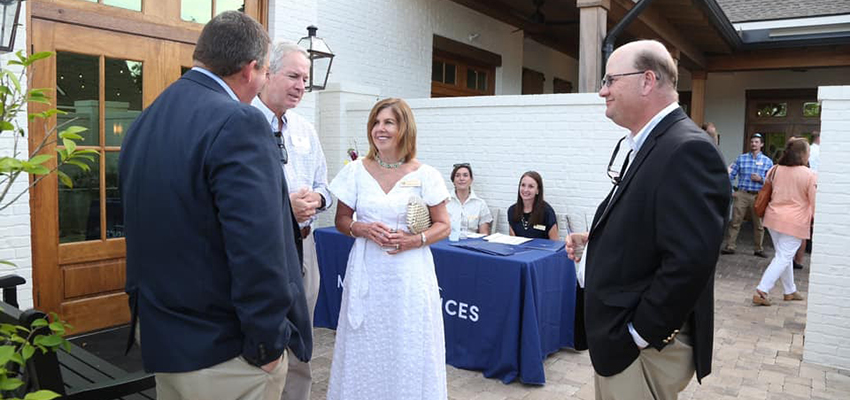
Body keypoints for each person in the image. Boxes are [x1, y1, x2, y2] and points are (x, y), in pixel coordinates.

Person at [119, 11, 311, 400]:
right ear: (251, 69)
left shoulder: (147, 119)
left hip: (164, 339)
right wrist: (268, 346)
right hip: (224, 356)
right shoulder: (239, 122)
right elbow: (258, 248)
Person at [566, 40, 730, 399]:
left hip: (642, 352)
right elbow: (653, 228)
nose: (602, 91)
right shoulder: (652, 142)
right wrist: (596, 243)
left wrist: (637, 336)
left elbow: (690, 261)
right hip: (624, 344)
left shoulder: (687, 149)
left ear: (647, 81)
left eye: (610, 80)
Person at [327, 98, 451, 400]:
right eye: (375, 123)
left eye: (388, 123)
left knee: (406, 341)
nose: (379, 129)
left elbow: (443, 225)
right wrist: (363, 228)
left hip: (409, 276)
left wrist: (414, 240)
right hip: (368, 271)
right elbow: (341, 220)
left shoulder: (426, 175)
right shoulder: (356, 171)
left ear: (404, 128)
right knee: (366, 342)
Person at [250, 40, 331, 400]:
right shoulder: (242, 122)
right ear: (268, 74)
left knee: (302, 332)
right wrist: (286, 206)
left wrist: (318, 199)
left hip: (305, 247)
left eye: (306, 78)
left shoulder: (304, 129)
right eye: (294, 76)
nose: (301, 85)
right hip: (263, 251)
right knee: (263, 336)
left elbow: (325, 186)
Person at [752, 138, 817, 306]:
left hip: (773, 219)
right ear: (802, 154)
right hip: (795, 222)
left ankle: (790, 290)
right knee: (783, 257)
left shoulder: (775, 169)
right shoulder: (810, 175)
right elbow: (815, 201)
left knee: (783, 256)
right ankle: (762, 290)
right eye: (808, 151)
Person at [721, 133, 774, 258]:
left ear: (761, 144)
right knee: (735, 221)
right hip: (742, 194)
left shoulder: (767, 161)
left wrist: (761, 179)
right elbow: (731, 174)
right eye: (752, 142)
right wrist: (731, 191)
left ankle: (758, 248)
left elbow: (771, 181)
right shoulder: (741, 158)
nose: (753, 144)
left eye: (756, 142)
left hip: (758, 196)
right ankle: (730, 246)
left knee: (759, 224)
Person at [793, 130, 820, 270]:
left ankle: (796, 259)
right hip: (804, 203)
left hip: (795, 206)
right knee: (802, 232)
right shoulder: (809, 172)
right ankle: (798, 260)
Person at [507, 171, 559, 240]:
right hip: (518, 250)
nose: (525, 190)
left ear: (537, 190)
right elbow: (512, 241)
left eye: (531, 186)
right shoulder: (512, 211)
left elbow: (555, 242)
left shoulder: (547, 212)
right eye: (523, 185)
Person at [447, 163, 493, 235]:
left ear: (471, 180)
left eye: (465, 175)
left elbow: (484, 233)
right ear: (453, 180)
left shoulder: (480, 204)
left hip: (471, 244)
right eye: (457, 176)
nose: (461, 179)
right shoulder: (444, 203)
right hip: (448, 242)